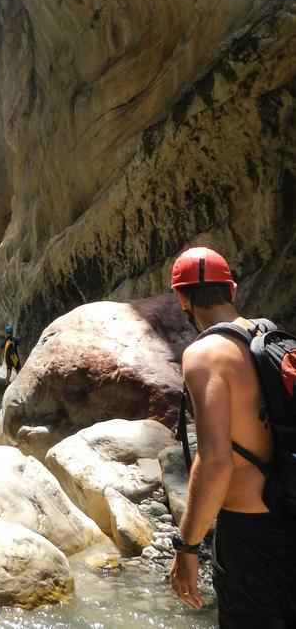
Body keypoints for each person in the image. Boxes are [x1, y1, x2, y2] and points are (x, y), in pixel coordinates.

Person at [168, 246, 296, 626]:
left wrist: (187, 547)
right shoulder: (269, 333)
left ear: (181, 297)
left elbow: (216, 460)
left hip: (251, 534)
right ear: (233, 290)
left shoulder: (204, 354)